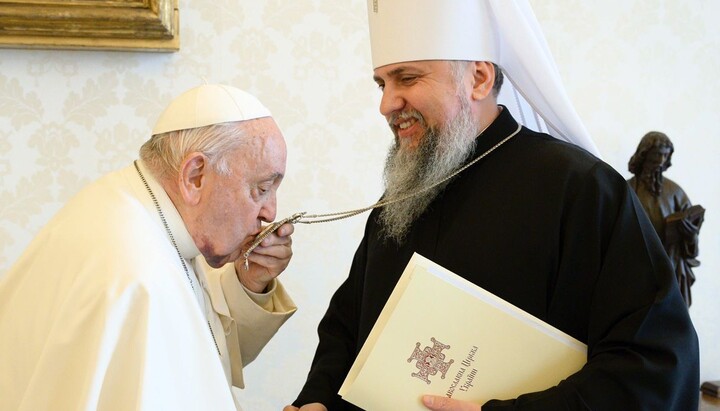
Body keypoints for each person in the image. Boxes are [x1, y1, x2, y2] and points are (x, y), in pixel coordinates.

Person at [287, 1, 699, 410]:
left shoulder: (581, 189)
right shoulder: (401, 197)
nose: (386, 104)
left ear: (479, 79)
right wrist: (318, 400)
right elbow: (347, 326)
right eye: (382, 85)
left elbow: (655, 365)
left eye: (406, 79)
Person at [0, 84, 297, 411]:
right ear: (195, 176)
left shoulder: (137, 212)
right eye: (262, 188)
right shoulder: (136, 272)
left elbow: (200, 356)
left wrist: (250, 283)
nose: (270, 212)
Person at [628, 131, 705, 307]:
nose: (661, 161)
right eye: (657, 154)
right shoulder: (627, 190)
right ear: (644, 154)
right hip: (636, 271)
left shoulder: (676, 193)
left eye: (665, 155)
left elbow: (692, 244)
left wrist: (690, 236)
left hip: (670, 270)